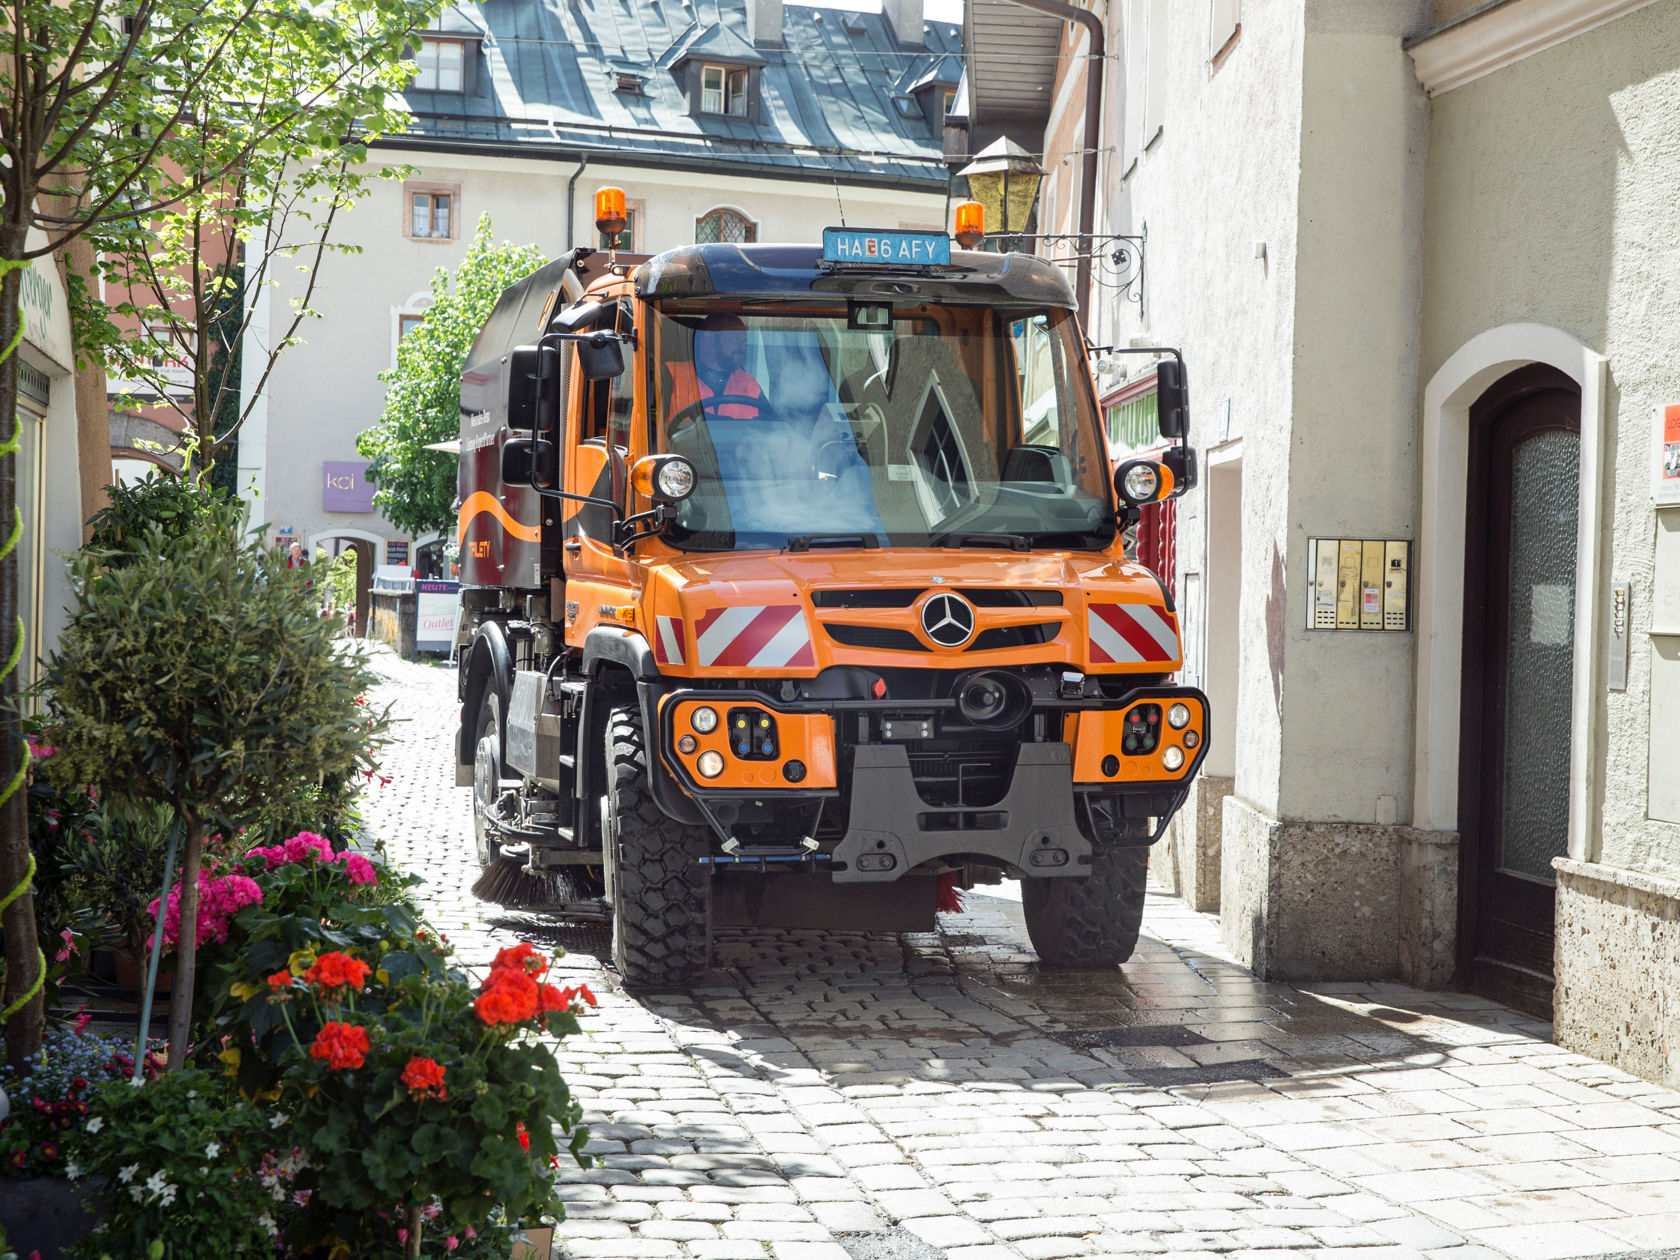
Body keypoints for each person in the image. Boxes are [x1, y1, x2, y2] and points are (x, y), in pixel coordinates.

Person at [665, 314, 763, 420]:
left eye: (744, 341)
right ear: (709, 336)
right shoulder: (672, 374)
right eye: (736, 338)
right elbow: (650, 422)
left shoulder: (749, 383)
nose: (742, 347)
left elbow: (772, 424)